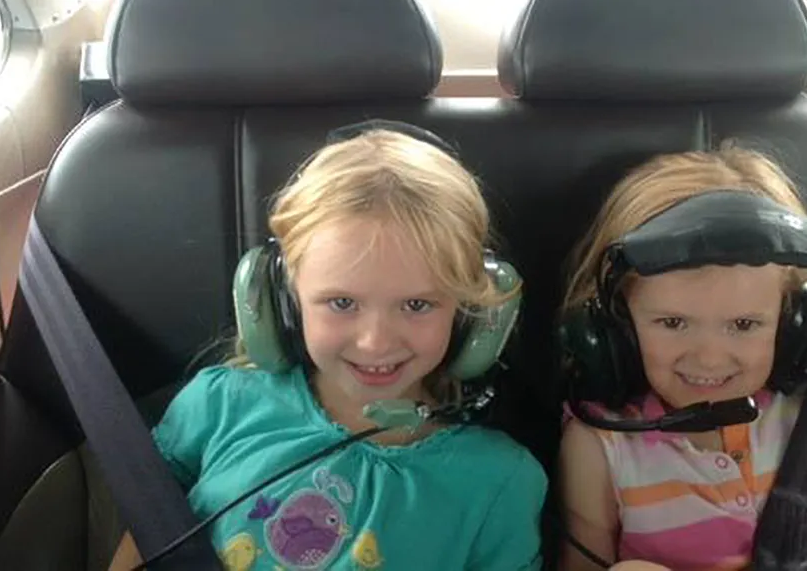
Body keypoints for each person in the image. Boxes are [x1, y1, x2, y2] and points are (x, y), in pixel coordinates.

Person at [108, 123, 547, 571]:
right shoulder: (220, 404)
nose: (375, 341)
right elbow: (146, 533)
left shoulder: (498, 482)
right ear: (281, 296)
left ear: (473, 313)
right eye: (342, 302)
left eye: (417, 304)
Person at [556, 146, 807, 571]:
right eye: (673, 322)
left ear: (796, 323)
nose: (710, 359)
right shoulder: (601, 447)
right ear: (617, 325)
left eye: (743, 325)